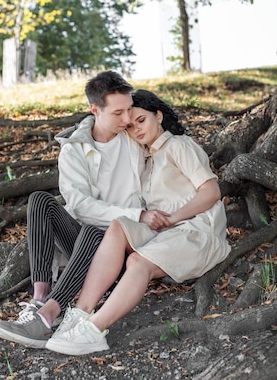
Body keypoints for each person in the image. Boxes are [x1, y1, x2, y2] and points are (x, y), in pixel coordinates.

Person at [45, 89, 231, 356]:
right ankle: (81, 314)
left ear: (158, 115)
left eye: (141, 120)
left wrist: (174, 218)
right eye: (130, 126)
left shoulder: (178, 145)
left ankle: (94, 331)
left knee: (137, 262)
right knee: (119, 225)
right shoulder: (145, 156)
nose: (135, 130)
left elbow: (211, 192)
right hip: (165, 233)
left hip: (196, 233)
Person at [0, 73, 171, 348]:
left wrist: (141, 217)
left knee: (96, 229)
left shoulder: (134, 138)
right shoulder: (74, 150)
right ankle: (40, 297)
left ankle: (49, 316)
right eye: (118, 112)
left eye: (129, 110)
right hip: (85, 244)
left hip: (124, 244)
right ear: (95, 110)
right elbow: (80, 206)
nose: (127, 120)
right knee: (40, 200)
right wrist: (137, 214)